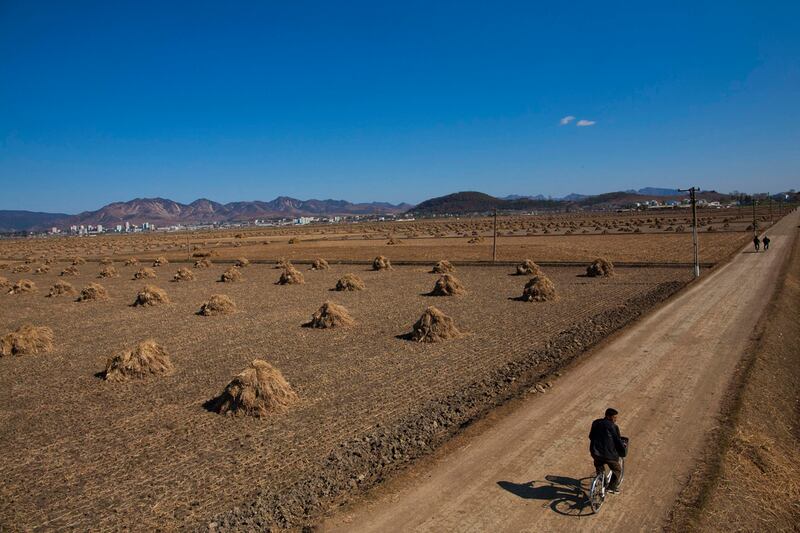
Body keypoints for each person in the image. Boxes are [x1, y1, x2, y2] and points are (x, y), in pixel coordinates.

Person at [589, 408, 626, 493]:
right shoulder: (613, 426)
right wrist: (622, 451)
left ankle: (602, 482)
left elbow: (591, 436)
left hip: (595, 452)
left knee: (599, 467)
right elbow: (617, 441)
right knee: (617, 469)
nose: (615, 419)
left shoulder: (595, 423)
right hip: (608, 455)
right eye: (614, 417)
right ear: (608, 416)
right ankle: (611, 487)